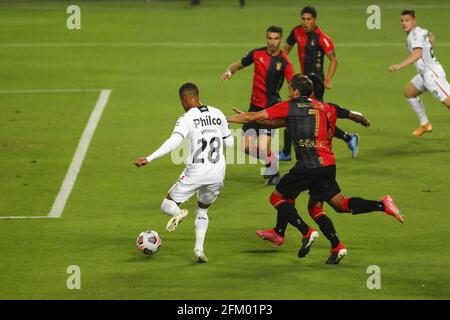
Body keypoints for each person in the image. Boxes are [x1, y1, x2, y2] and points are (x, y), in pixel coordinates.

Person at [227, 75, 404, 264]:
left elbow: (256, 116)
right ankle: (376, 210)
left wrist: (227, 118)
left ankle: (305, 232)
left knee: (278, 197)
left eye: (289, 89)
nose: (287, 93)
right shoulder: (327, 107)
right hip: (328, 166)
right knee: (332, 205)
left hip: (307, 165)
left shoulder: (290, 106)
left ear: (296, 92)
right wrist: (363, 120)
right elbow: (351, 113)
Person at [135, 83, 234, 263]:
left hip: (196, 171)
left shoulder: (187, 117)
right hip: (218, 172)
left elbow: (174, 141)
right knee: (203, 209)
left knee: (167, 204)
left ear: (185, 99)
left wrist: (150, 158)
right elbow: (230, 144)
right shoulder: (218, 113)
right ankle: (199, 249)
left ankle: (178, 212)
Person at [280, 6, 359, 160]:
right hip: (303, 81)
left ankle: (287, 152)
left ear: (315, 20)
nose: (305, 22)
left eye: (308, 19)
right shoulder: (296, 32)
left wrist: (328, 79)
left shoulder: (321, 37)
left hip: (315, 84)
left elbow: (333, 59)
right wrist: (285, 67)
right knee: (306, 114)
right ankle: (349, 138)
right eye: (303, 19)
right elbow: (285, 52)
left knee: (307, 115)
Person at [221, 25, 294, 185]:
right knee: (245, 146)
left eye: (276, 38)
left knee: (262, 147)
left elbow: (293, 84)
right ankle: (272, 161)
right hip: (254, 108)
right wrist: (229, 72)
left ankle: (272, 169)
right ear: (266, 38)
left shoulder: (285, 62)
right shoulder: (257, 54)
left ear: (280, 39)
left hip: (270, 110)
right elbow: (238, 64)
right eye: (270, 38)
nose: (272, 42)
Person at [388, 9, 450, 136]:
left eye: (407, 20)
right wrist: (430, 48)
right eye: (402, 21)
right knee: (410, 92)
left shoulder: (414, 36)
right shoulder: (421, 30)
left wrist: (399, 66)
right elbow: (432, 36)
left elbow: (417, 54)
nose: (404, 23)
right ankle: (425, 124)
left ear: (414, 20)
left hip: (432, 75)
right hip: (425, 73)